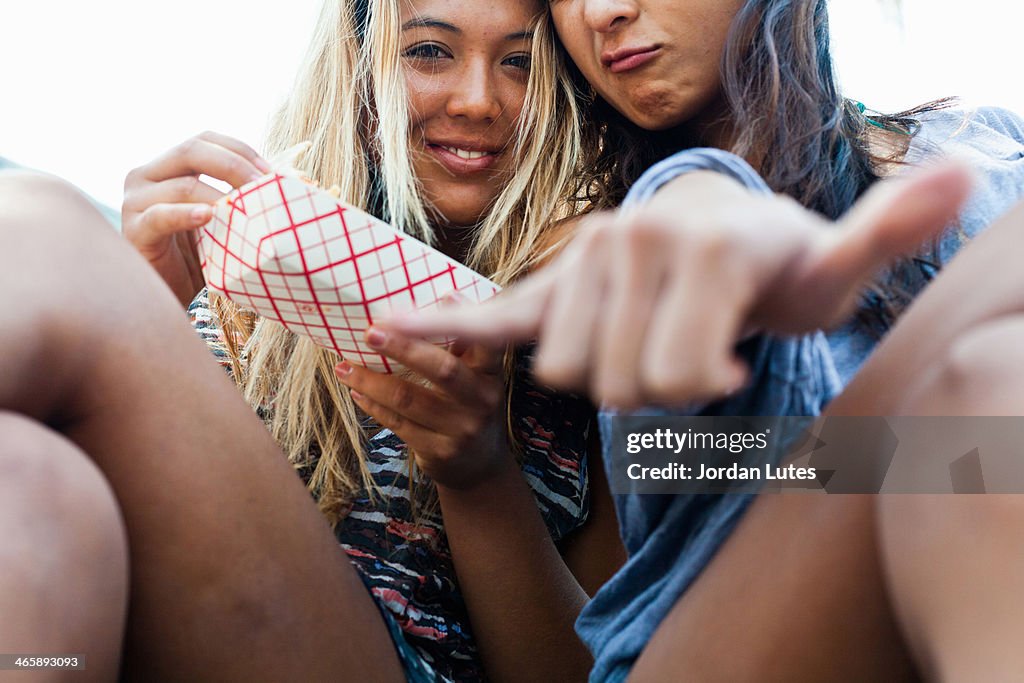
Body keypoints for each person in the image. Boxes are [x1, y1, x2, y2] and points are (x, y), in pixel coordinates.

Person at [380, 0, 1024, 680]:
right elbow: (681, 478)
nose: (600, 12)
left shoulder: (991, 153)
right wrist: (700, 193)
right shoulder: (608, 256)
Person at [0, 0, 626, 680]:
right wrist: (158, 307)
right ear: (357, 73)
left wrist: (478, 472)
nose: (478, 100)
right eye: (428, 51)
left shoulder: (593, 330)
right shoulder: (240, 276)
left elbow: (604, 667)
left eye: (520, 64)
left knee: (52, 223)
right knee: (33, 478)